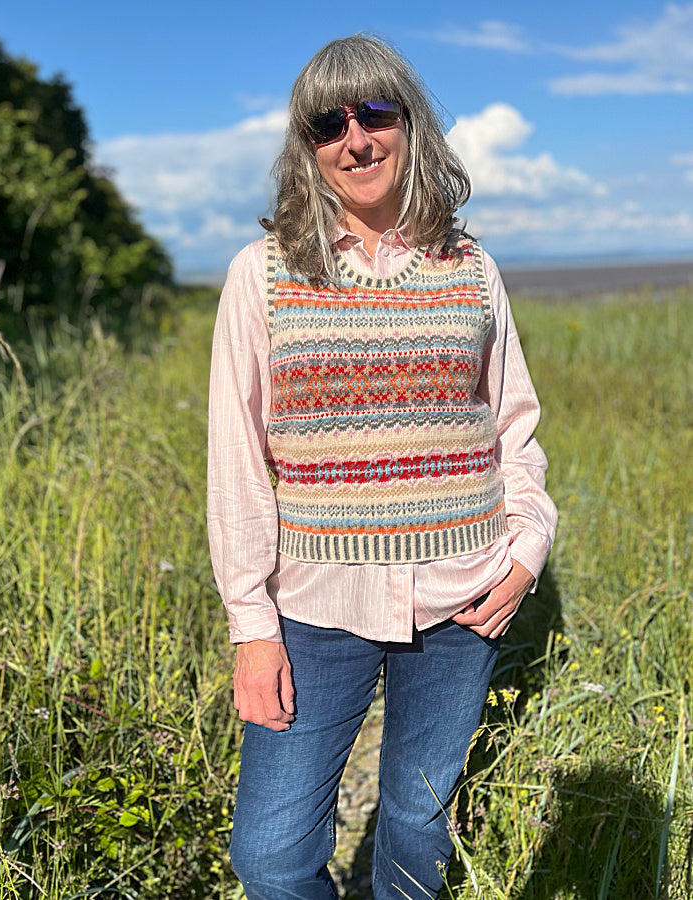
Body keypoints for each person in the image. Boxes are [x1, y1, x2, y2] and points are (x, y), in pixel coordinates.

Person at [207, 34, 557, 900]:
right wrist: (251, 625)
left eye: (375, 114)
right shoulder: (263, 277)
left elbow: (513, 420)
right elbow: (237, 460)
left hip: (463, 597)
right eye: (329, 124)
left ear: (411, 124)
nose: (354, 139)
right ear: (309, 147)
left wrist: (527, 550)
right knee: (272, 856)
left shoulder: (471, 270)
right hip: (316, 609)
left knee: (415, 825)